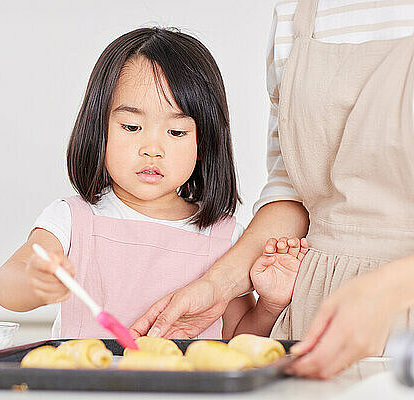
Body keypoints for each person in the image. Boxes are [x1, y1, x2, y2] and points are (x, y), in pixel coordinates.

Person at [130, 0, 414, 379]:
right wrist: (219, 285)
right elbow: (293, 188)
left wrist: (393, 287)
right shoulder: (295, 15)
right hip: (315, 311)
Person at [0, 27, 308, 340]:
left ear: (204, 145)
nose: (152, 149)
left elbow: (238, 341)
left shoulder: (225, 239)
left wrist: (270, 304)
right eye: (132, 126)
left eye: (176, 132)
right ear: (99, 129)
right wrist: (36, 282)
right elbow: (6, 287)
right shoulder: (71, 219)